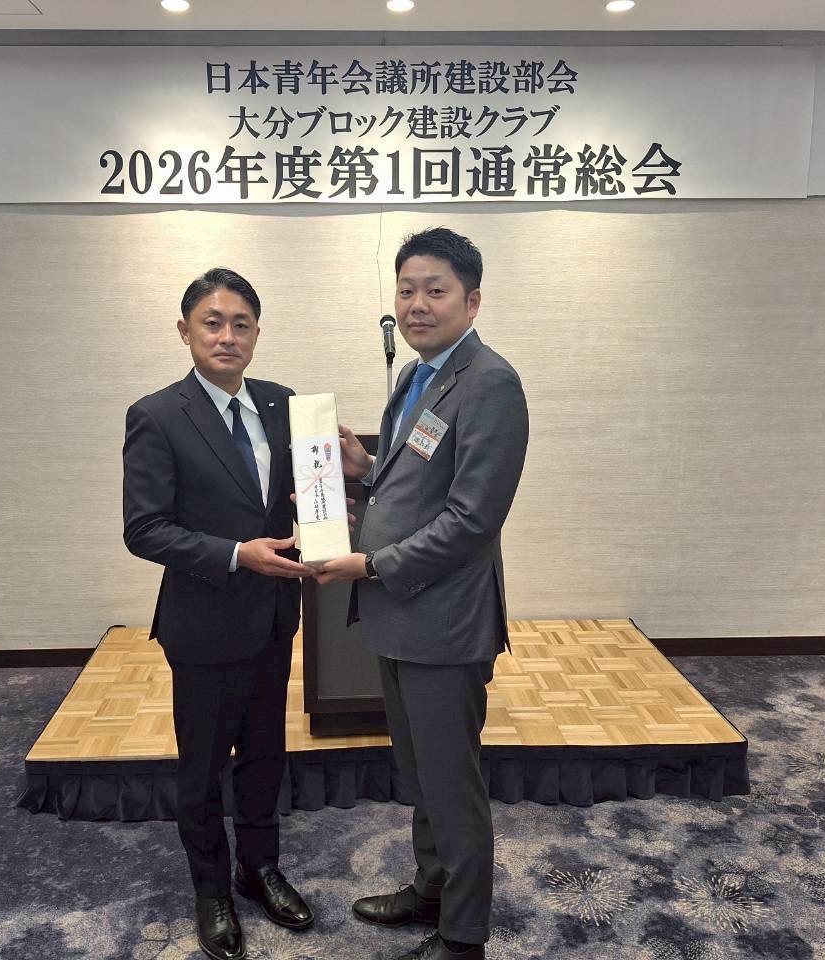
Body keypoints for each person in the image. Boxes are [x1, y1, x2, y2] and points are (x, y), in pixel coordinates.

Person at [313, 228, 530, 960]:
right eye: (406, 290)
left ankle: (463, 936)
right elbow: (416, 483)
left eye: (436, 290)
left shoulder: (491, 383)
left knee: (451, 784)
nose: (417, 304)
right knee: (421, 774)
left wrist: (372, 566)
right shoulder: (416, 375)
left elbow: (472, 519)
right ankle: (432, 889)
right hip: (400, 617)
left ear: (472, 300)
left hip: (444, 622)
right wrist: (363, 468)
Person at [123, 267, 315, 960]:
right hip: (204, 624)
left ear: (257, 334)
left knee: (265, 755)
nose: (227, 335)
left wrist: (335, 514)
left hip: (273, 616)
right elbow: (144, 529)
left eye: (241, 324)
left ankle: (259, 868)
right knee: (202, 768)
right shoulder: (157, 415)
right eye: (213, 322)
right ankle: (211, 889)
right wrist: (236, 554)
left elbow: (305, 496)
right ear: (185, 331)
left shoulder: (284, 405)